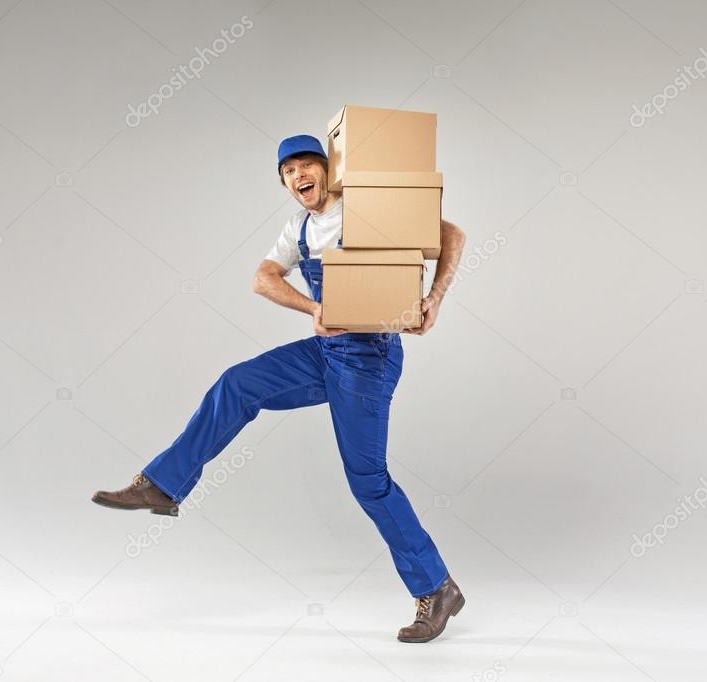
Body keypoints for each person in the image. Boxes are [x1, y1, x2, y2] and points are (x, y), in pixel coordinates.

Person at [92, 134, 467, 643]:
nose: (297, 176)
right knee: (238, 384)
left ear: (328, 169)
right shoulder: (302, 228)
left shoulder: (367, 209)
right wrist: (311, 308)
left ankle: (437, 587)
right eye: (287, 171)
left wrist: (435, 298)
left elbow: (451, 232)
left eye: (306, 164)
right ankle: (163, 485)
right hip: (326, 351)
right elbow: (262, 277)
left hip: (369, 357)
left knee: (368, 481)